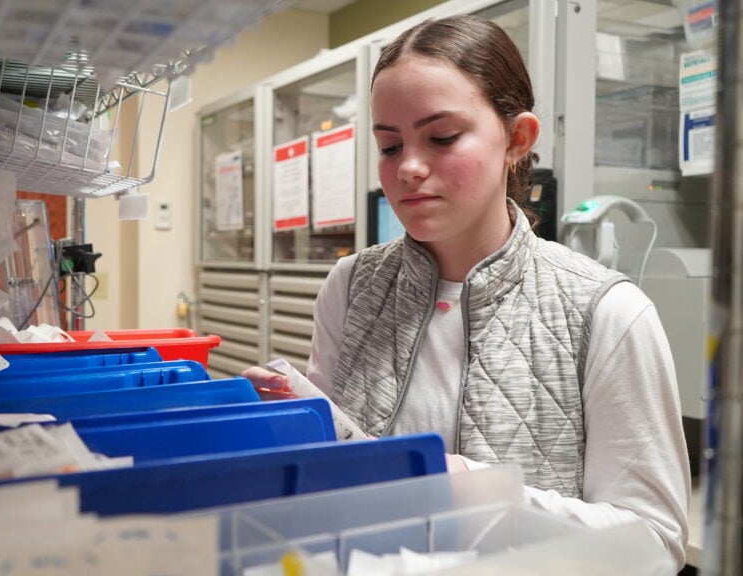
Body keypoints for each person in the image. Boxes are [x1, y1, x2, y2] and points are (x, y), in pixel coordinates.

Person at [243, 14, 689, 569]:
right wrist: (308, 421)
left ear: (517, 139)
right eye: (388, 145)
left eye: (442, 137)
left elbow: (654, 543)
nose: (407, 167)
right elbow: (350, 476)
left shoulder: (606, 312)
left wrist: (464, 485)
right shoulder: (351, 286)